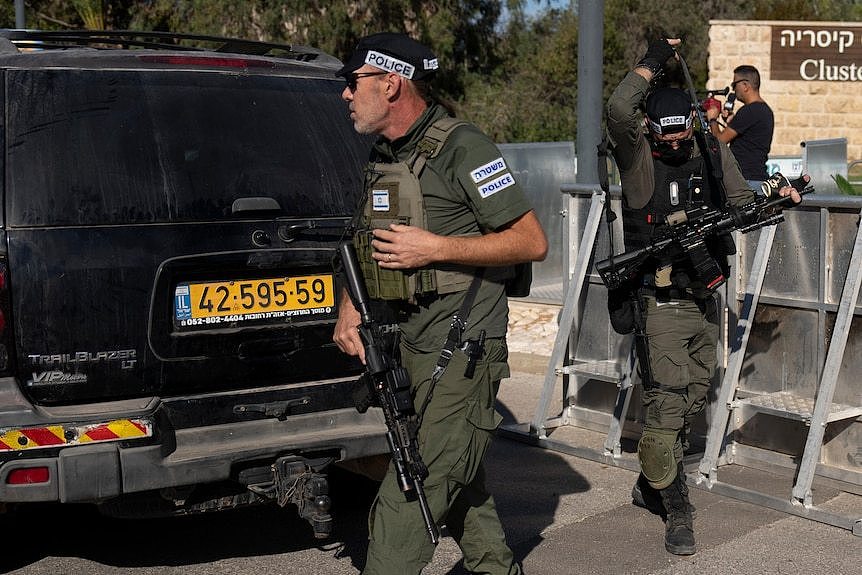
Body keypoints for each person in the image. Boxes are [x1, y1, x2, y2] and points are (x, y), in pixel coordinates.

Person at [332, 32, 547, 575]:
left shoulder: (463, 147)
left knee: (419, 481)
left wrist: (437, 248)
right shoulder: (387, 153)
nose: (345, 95)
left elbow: (531, 240)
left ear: (390, 82)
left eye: (352, 82)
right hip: (409, 338)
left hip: (464, 340)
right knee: (456, 465)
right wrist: (349, 306)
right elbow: (364, 238)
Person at [605, 38, 803, 556]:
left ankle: (651, 483)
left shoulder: (711, 150)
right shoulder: (638, 158)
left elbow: (740, 199)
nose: (673, 145)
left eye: (680, 135)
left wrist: (777, 196)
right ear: (651, 131)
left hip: (705, 293)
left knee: (695, 394)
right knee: (667, 405)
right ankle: (677, 507)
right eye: (662, 137)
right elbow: (618, 107)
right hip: (661, 298)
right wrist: (653, 60)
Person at [706, 65, 775, 191]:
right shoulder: (764, 110)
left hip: (745, 179)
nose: (733, 89)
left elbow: (719, 141)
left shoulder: (749, 111)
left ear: (745, 85)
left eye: (734, 85)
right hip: (757, 178)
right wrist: (730, 122)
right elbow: (748, 138)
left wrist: (713, 119)